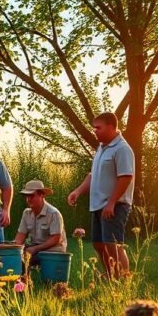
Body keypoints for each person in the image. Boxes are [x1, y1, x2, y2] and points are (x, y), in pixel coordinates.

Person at [67, 112, 135, 278]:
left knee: (113, 244)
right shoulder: (101, 148)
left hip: (115, 205)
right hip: (98, 204)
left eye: (98, 127)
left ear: (111, 127)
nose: (94, 131)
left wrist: (112, 202)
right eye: (94, 128)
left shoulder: (122, 149)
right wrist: (78, 191)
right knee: (98, 244)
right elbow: (93, 175)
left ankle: (124, 280)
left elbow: (126, 177)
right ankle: (110, 275)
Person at [13, 179, 67, 266]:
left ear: (42, 195)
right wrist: (13, 250)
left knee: (24, 261)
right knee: (14, 258)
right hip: (34, 248)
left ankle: (25, 277)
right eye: (27, 196)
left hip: (52, 251)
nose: (28, 199)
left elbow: (56, 239)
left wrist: (36, 249)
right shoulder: (26, 213)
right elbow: (20, 235)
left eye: (31, 196)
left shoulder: (54, 213)